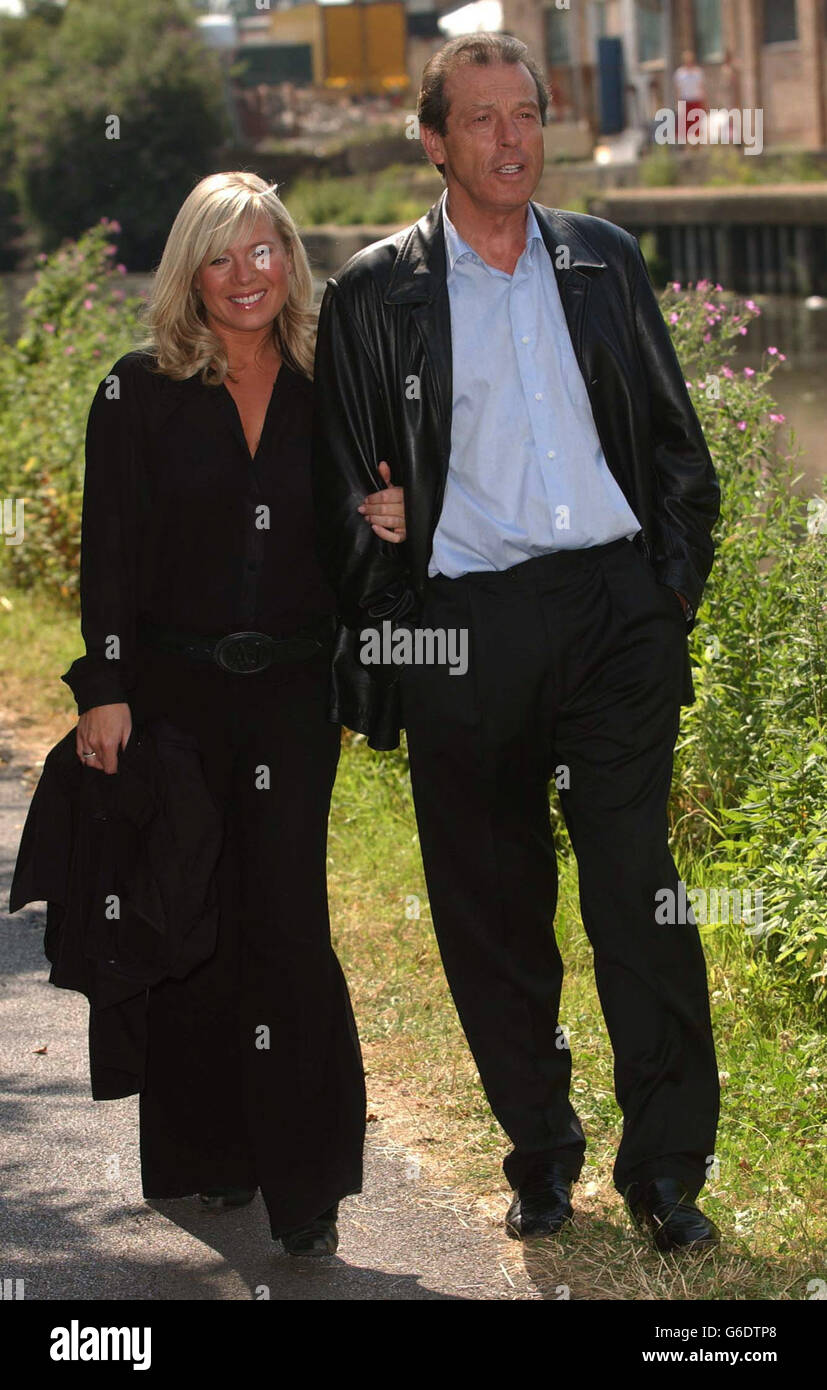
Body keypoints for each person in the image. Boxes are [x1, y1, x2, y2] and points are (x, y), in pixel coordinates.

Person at [312, 34, 722, 1253]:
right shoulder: (371, 292)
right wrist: (397, 617)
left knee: (639, 894)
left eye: (525, 114)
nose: (509, 139)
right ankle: (539, 1154)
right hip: (465, 632)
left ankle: (666, 1174)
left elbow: (676, 457)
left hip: (611, 620)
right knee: (491, 911)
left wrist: (664, 605)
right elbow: (339, 500)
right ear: (434, 141)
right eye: (480, 119)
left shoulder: (600, 259)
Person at [60, 170, 402, 1257]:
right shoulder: (136, 388)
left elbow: (382, 509)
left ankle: (308, 1182)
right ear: (190, 272)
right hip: (172, 695)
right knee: (190, 921)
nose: (246, 275)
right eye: (222, 255)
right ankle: (208, 1155)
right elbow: (106, 550)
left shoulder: (330, 380)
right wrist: (102, 688)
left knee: (288, 923)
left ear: (291, 262)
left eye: (264, 252)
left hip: (296, 694)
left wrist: (398, 509)